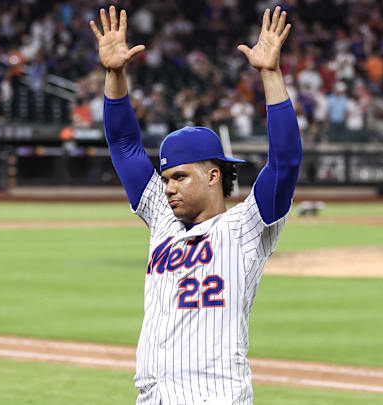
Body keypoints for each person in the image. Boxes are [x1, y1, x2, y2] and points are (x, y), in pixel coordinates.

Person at [90, 6, 301, 404]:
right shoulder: (163, 222)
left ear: (213, 175)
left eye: (180, 177)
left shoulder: (247, 227)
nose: (168, 188)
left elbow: (285, 161)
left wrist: (271, 74)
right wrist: (115, 75)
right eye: (166, 178)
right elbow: (123, 147)